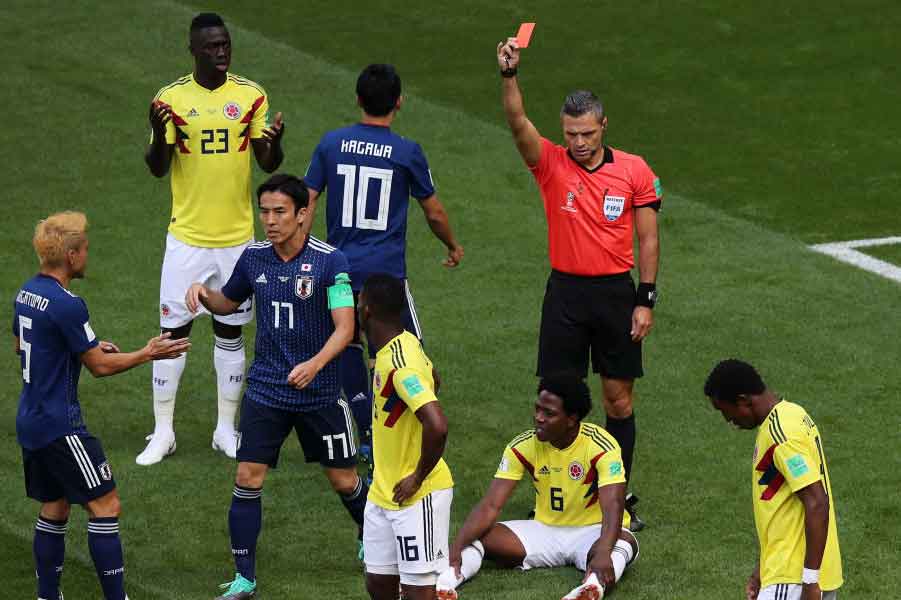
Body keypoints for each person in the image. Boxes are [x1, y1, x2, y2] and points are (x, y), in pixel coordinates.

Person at [496, 39, 663, 528]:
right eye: (571, 133)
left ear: (604, 126)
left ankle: (617, 499)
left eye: (587, 133)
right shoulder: (550, 163)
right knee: (555, 402)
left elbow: (648, 240)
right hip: (565, 295)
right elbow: (516, 122)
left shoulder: (634, 170)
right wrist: (509, 76)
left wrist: (645, 299)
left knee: (618, 399)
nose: (579, 142)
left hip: (615, 294)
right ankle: (552, 495)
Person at [184, 174, 366, 600]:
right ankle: (244, 577)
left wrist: (315, 364)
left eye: (279, 212)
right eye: (264, 211)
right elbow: (229, 302)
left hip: (318, 392)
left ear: (302, 214)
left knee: (343, 480)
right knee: (247, 478)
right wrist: (204, 293)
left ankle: (367, 531)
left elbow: (346, 328)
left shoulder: (330, 261)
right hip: (267, 389)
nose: (270, 220)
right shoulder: (253, 258)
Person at [13, 211, 191, 600]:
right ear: (72, 256)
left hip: (30, 420)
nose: (88, 256)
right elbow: (101, 367)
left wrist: (80, 348)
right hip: (60, 426)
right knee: (106, 504)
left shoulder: (26, 293)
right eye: (86, 250)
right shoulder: (67, 304)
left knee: (55, 506)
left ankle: (47, 595)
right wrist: (147, 353)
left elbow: (26, 346)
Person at [139, 12, 285, 465]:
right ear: (194, 50)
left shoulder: (250, 95)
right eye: (212, 47)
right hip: (186, 238)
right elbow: (157, 167)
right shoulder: (170, 99)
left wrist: (275, 140)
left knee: (231, 332)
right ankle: (163, 432)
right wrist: (159, 129)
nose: (221, 52)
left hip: (237, 241)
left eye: (225, 44)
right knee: (172, 333)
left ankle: (226, 428)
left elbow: (267, 160)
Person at [304, 63, 464, 467]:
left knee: (345, 346)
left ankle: (364, 431)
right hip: (385, 279)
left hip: (339, 272)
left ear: (358, 99)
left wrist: (302, 254)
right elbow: (434, 211)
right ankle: (394, 434)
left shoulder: (331, 144)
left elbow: (305, 203)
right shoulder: (406, 152)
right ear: (399, 102)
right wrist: (452, 244)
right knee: (406, 354)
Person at [435, 376, 638, 600]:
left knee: (624, 542)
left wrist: (603, 552)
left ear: (571, 418)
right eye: (537, 409)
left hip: (592, 532)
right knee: (478, 535)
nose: (538, 418)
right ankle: (446, 583)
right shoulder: (522, 446)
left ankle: (590, 589)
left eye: (549, 413)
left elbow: (614, 506)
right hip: (544, 530)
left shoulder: (601, 445)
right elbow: (491, 505)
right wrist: (457, 545)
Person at [704, 359, 843, 600]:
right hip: (803, 571)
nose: (729, 421)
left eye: (725, 411)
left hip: (792, 576)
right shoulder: (793, 414)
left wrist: (810, 582)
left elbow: (817, 501)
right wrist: (761, 568)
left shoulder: (781, 434)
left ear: (743, 400)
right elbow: (780, 505)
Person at [356, 274, 453, 600]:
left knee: (418, 592)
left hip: (416, 495)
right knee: (378, 583)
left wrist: (417, 476)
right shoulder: (403, 343)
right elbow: (434, 379)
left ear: (366, 309)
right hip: (383, 492)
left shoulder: (400, 365)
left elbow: (437, 424)